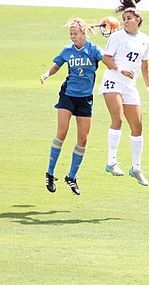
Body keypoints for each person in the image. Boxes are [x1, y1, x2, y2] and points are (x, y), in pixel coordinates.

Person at [97, 0, 149, 186]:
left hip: (130, 85)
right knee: (118, 118)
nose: (125, 21)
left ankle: (136, 168)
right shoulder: (117, 36)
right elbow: (106, 59)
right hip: (113, 81)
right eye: (123, 19)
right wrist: (120, 69)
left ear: (138, 20)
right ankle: (111, 162)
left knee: (138, 126)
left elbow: (145, 65)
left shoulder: (145, 40)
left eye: (129, 18)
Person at [40, 18, 104, 195]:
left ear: (84, 33)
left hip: (85, 99)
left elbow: (107, 59)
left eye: (75, 34)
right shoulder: (67, 50)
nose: (72, 37)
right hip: (68, 95)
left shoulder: (93, 50)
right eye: (71, 34)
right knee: (62, 132)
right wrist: (47, 73)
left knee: (83, 139)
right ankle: (50, 173)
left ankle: (72, 177)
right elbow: (57, 65)